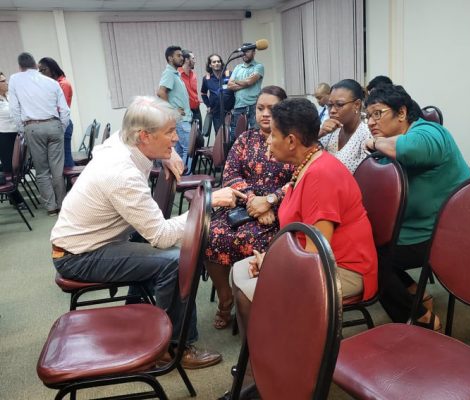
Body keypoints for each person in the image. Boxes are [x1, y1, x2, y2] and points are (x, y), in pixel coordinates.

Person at [50, 96, 245, 369]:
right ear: (144, 136)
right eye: (170, 133)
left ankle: (140, 315)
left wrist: (168, 154)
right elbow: (162, 236)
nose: (176, 138)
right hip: (79, 256)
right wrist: (208, 203)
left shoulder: (122, 142)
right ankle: (174, 347)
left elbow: (138, 105)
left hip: (94, 243)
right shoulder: (122, 173)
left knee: (159, 248)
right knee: (175, 260)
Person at [232, 97, 378, 333]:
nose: (268, 142)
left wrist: (274, 266)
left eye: (273, 135)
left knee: (250, 296)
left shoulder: (321, 176)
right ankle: (269, 354)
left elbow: (315, 256)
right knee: (239, 271)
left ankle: (269, 363)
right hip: (317, 260)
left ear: (291, 141)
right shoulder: (307, 165)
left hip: (341, 269)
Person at [363, 84, 470, 330]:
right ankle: (415, 293)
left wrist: (375, 142)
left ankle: (419, 319)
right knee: (361, 245)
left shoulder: (430, 132)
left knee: (368, 259)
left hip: (444, 233)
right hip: (413, 228)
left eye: (377, 113)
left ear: (401, 113)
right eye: (367, 116)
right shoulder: (389, 142)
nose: (370, 121)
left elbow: (409, 149)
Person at [204, 86, 293, 330]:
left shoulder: (292, 141)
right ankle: (226, 299)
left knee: (258, 240)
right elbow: (230, 175)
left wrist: (271, 201)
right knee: (210, 233)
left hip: (278, 210)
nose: (265, 114)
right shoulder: (246, 139)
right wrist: (254, 200)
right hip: (243, 206)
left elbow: (299, 180)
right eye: (260, 108)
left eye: (272, 109)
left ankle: (260, 304)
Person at [9, 52, 70, 216]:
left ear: (20, 66)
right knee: (57, 170)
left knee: (42, 171)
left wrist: (23, 130)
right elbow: (65, 110)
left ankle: (51, 208)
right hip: (54, 125)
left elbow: (14, 109)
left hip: (33, 127)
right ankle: (63, 206)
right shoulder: (51, 82)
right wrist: (60, 128)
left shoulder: (15, 79)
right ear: (36, 65)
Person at [319, 79, 371, 173]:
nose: (332, 110)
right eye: (330, 105)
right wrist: (319, 133)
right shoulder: (331, 130)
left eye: (339, 104)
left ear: (357, 105)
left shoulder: (367, 135)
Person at [157, 45, 192, 168]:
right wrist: (172, 110)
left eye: (182, 55)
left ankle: (179, 177)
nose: (182, 58)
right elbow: (161, 92)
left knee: (180, 150)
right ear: (170, 58)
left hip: (182, 119)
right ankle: (185, 176)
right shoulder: (169, 73)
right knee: (189, 149)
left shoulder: (176, 73)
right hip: (180, 120)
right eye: (178, 55)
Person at [38, 57, 75, 168]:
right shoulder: (53, 84)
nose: (41, 74)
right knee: (59, 162)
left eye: (43, 70)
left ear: (52, 69)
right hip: (56, 125)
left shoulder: (63, 84)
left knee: (66, 160)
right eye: (39, 71)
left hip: (63, 124)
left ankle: (72, 185)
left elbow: (60, 109)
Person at [227, 44, 264, 142]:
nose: (244, 54)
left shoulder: (258, 66)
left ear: (254, 53)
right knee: (236, 136)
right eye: (243, 52)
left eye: (247, 51)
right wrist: (246, 83)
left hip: (253, 105)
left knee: (255, 135)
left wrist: (238, 81)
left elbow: (249, 82)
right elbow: (229, 85)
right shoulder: (238, 67)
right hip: (238, 106)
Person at [0, 71, 25, 206]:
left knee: (17, 168)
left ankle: (13, 197)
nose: (6, 83)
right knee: (9, 168)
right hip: (3, 136)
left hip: (15, 134)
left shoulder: (9, 96)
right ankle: (16, 200)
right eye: (3, 81)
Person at [200, 53, 235, 135]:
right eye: (214, 62)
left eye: (218, 61)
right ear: (210, 65)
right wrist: (208, 106)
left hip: (231, 111)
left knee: (232, 136)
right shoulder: (206, 79)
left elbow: (236, 90)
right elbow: (203, 93)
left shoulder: (229, 74)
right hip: (216, 113)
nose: (216, 63)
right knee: (220, 136)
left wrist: (235, 107)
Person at [179, 50, 202, 132]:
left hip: (197, 110)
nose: (195, 61)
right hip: (186, 112)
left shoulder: (193, 74)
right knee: (190, 140)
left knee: (199, 138)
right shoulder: (177, 75)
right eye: (193, 58)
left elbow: (193, 92)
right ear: (186, 60)